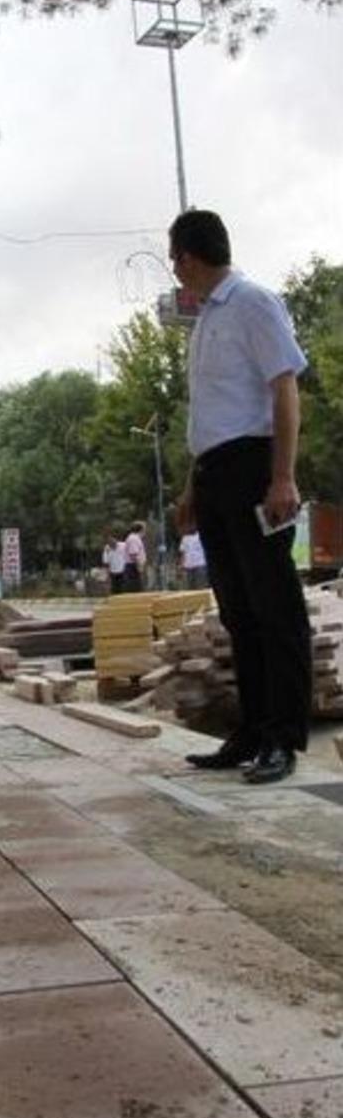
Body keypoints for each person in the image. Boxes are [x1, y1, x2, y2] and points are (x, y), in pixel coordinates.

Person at [171, 209, 311, 785]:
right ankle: (252, 729)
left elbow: (285, 389)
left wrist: (283, 476)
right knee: (238, 611)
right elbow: (210, 415)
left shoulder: (254, 302)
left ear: (189, 257)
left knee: (274, 608)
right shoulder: (205, 319)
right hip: (214, 475)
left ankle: (283, 738)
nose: (174, 269)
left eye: (175, 257)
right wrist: (189, 489)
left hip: (255, 468)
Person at [123, 521, 147, 592]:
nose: (145, 531)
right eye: (144, 529)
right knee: (135, 589)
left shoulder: (135, 538)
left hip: (134, 566)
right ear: (141, 529)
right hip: (133, 567)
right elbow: (133, 554)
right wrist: (139, 566)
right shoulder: (133, 538)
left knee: (137, 588)